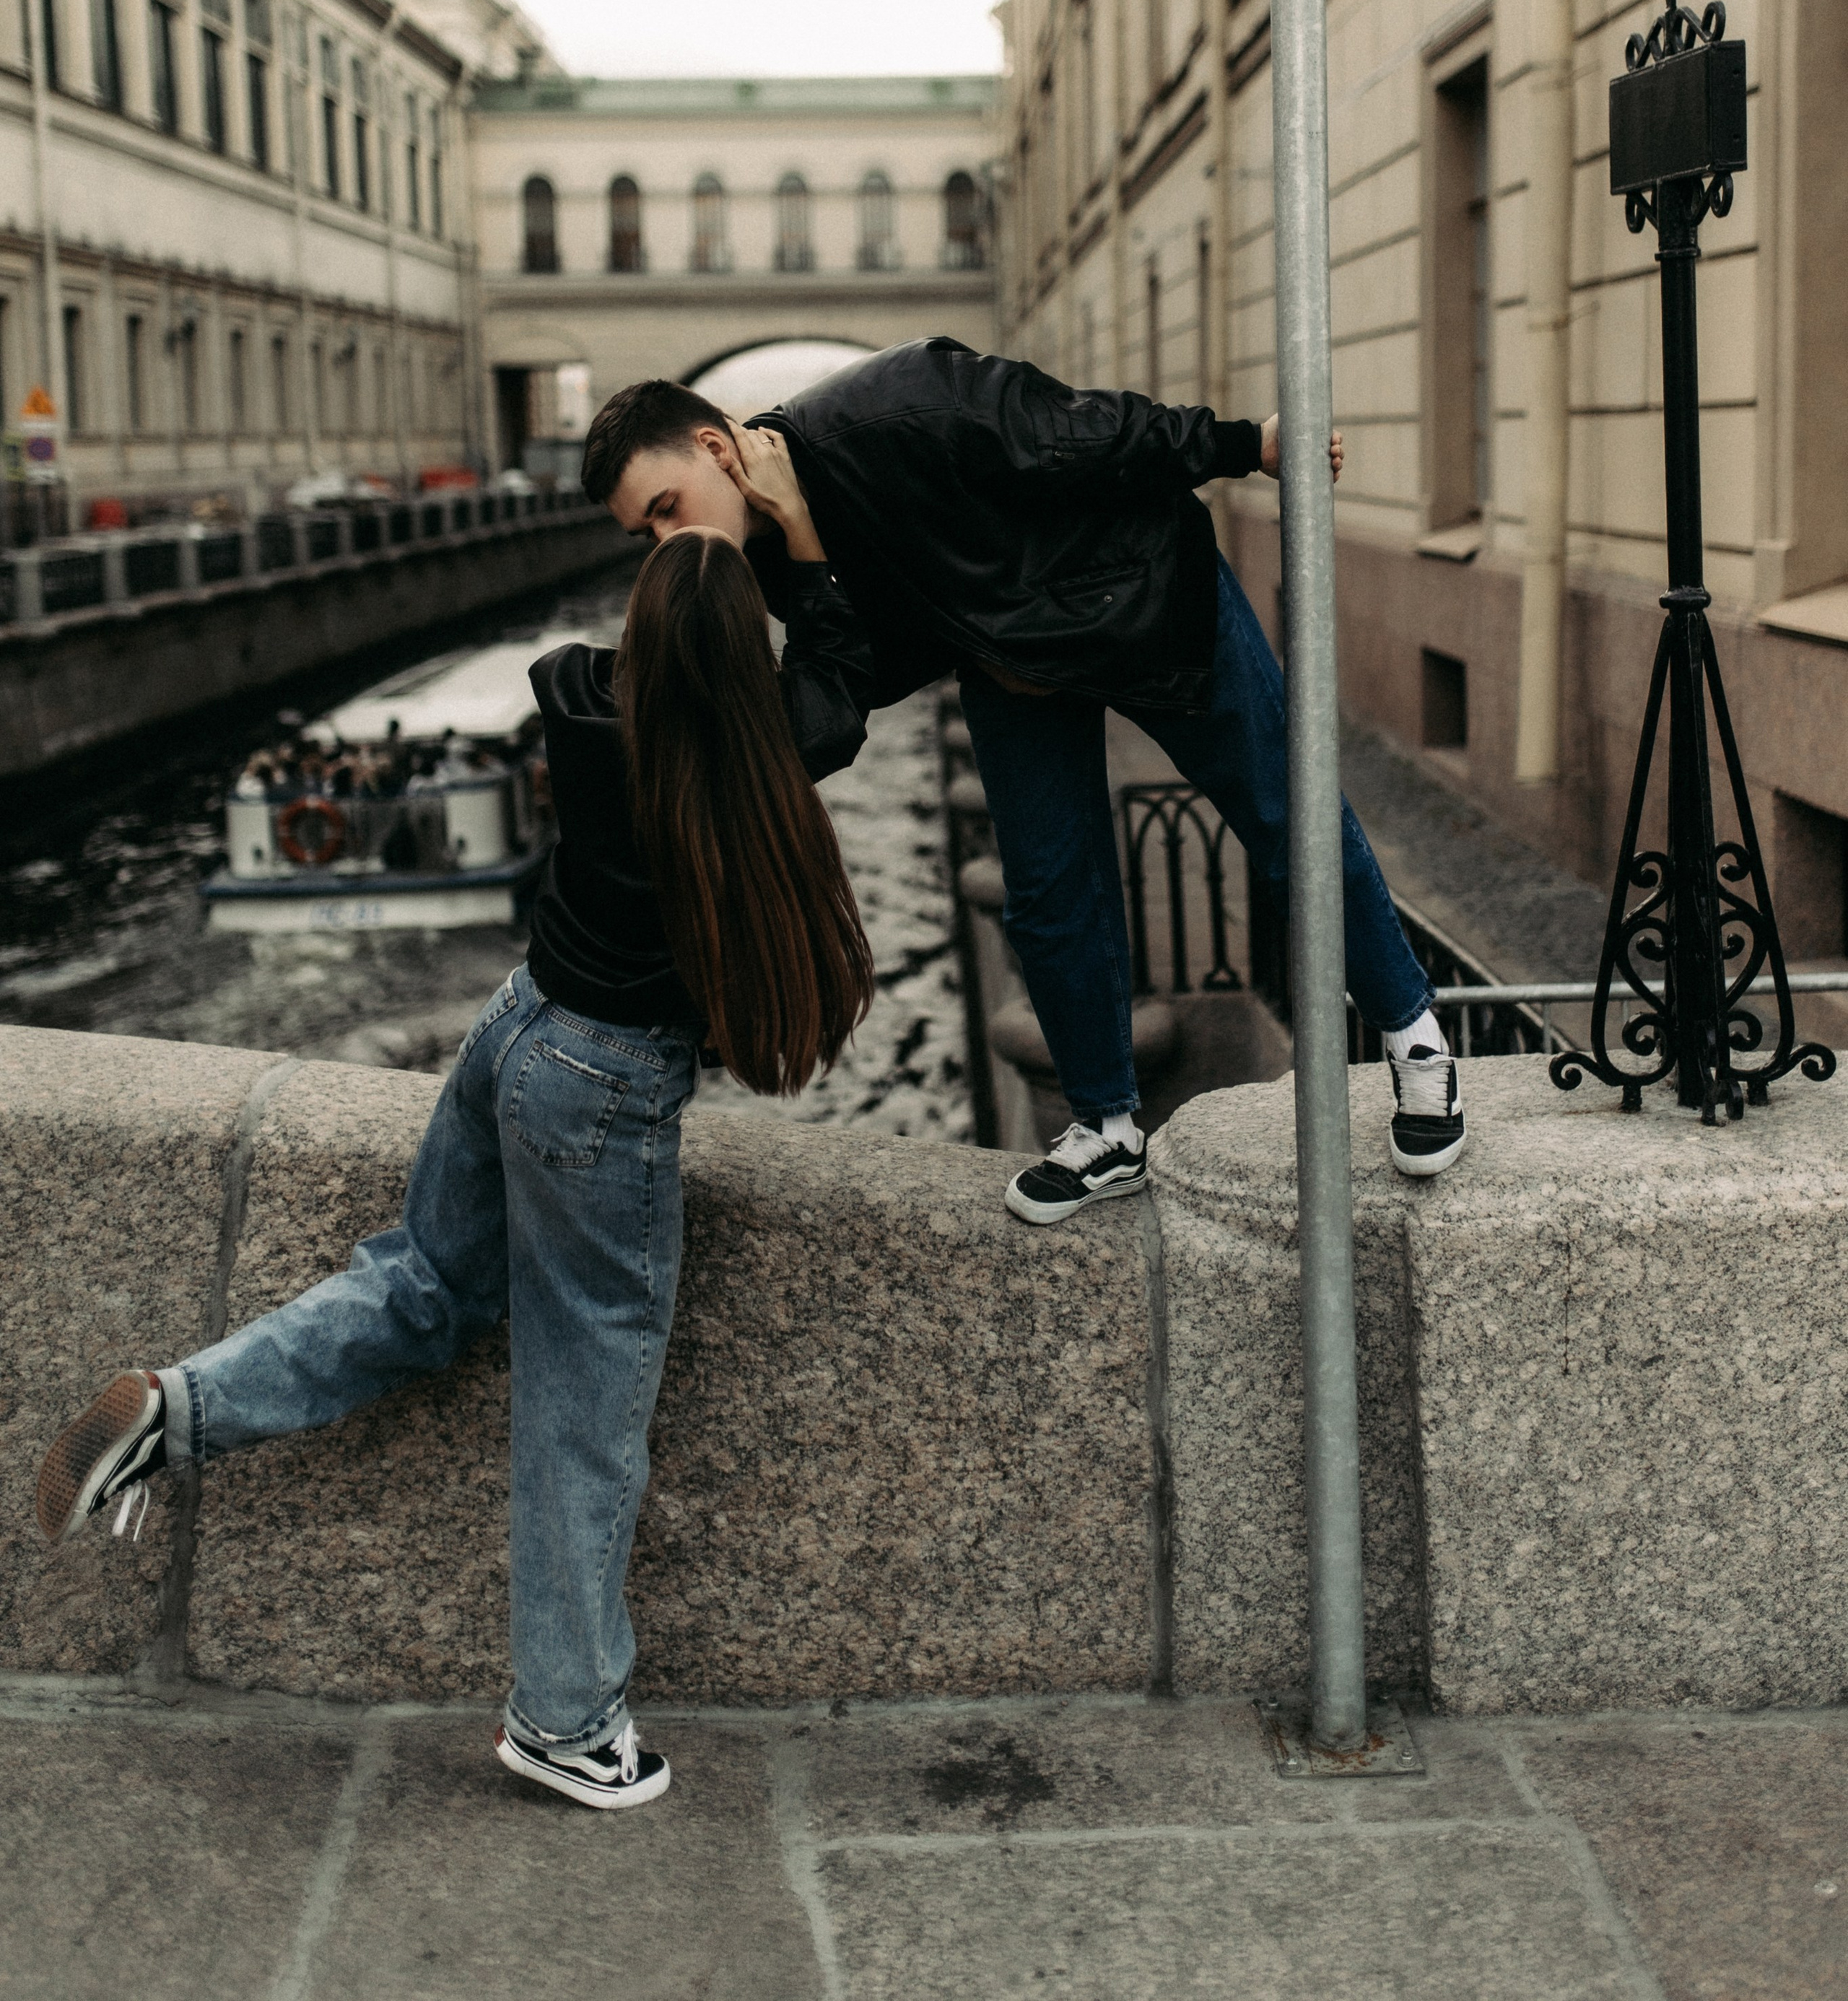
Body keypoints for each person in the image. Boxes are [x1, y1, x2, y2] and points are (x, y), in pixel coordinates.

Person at [35, 515, 876, 1814]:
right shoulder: (749, 756)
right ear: (741, 667)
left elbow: (597, 657)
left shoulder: (577, 701)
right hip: (605, 1084)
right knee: (585, 1406)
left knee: (422, 1281)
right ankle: (565, 1720)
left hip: (513, 1027)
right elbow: (841, 684)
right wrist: (803, 551)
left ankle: (177, 1403)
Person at [585, 341, 1465, 1224]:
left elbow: (1082, 432)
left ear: (714, 447)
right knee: (1048, 889)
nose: (668, 543)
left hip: (1135, 589)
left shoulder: (898, 404)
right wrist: (810, 546)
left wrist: (1245, 445)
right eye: (644, 535)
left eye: (665, 509)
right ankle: (1107, 1128)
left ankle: (1415, 1040)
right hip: (1009, 662)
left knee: (1284, 812)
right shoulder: (770, 556)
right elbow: (839, 704)